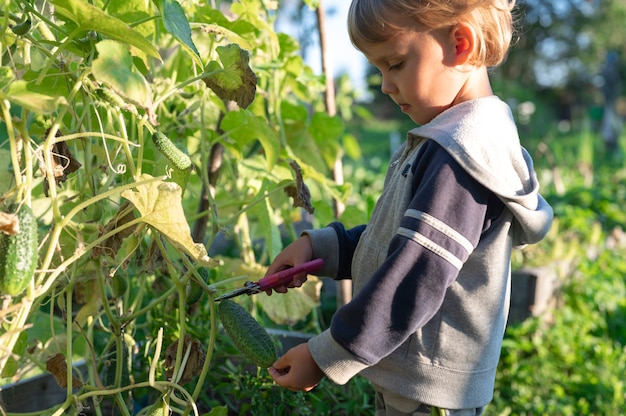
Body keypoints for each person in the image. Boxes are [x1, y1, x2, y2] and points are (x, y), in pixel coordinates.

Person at [266, 0, 553, 414]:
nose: (384, 84)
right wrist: (321, 249)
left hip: (429, 392)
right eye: (379, 69)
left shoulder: (461, 157)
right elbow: (402, 239)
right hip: (416, 373)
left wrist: (327, 354)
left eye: (395, 63)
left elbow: (414, 275)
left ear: (460, 44)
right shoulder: (451, 141)